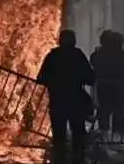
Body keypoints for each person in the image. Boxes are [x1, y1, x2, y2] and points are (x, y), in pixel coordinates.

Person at [37, 29, 95, 164]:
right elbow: (90, 78)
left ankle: (60, 160)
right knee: (77, 134)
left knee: (59, 136)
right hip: (75, 101)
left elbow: (40, 77)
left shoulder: (53, 56)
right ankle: (77, 159)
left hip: (58, 101)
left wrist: (54, 82)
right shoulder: (78, 55)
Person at [90, 31, 124, 138]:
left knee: (104, 112)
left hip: (104, 88)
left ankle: (104, 136)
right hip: (119, 88)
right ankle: (118, 137)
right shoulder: (123, 55)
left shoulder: (101, 54)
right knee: (118, 113)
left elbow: (94, 62)